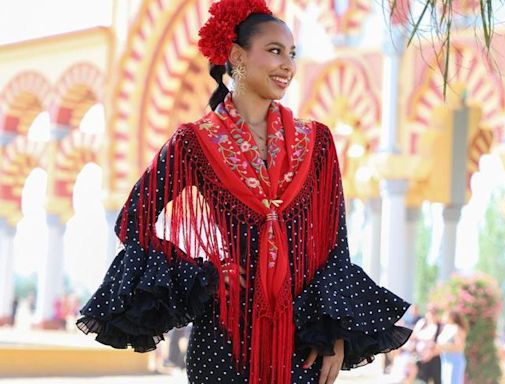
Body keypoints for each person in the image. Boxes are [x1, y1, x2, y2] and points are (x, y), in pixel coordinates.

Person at [75, 1, 412, 383]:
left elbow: (335, 245)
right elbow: (133, 220)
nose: (288, 64)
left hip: (302, 339)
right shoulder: (195, 142)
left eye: (292, 54)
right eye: (274, 51)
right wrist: (205, 277)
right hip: (223, 339)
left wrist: (334, 331)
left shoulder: (316, 142)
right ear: (237, 56)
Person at [412, 305, 442, 384]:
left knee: (437, 381)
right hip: (419, 358)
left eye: (434, 312)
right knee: (421, 381)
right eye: (429, 311)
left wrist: (430, 354)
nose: (431, 314)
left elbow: (441, 344)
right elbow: (413, 336)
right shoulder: (422, 323)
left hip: (434, 358)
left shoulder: (440, 326)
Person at [436, 311, 467, 384]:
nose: (443, 317)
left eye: (445, 315)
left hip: (454, 360)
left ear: (452, 317)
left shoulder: (457, 328)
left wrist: (444, 347)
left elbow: (460, 347)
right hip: (445, 359)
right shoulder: (446, 328)